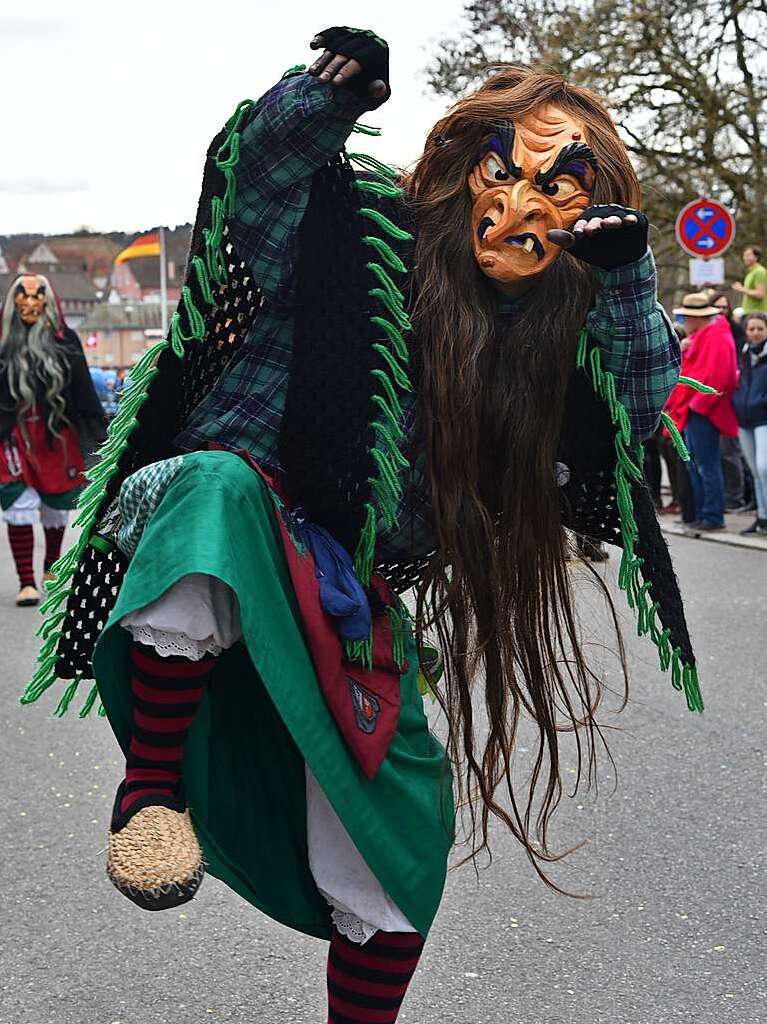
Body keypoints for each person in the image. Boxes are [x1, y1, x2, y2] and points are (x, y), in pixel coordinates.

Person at [24, 29, 701, 1023]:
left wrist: (626, 280)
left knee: (397, 866)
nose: (515, 205)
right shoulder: (357, 226)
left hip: (349, 599)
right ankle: (149, 788)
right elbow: (253, 190)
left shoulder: (551, 327)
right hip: (246, 516)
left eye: (556, 192)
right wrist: (324, 100)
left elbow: (631, 418)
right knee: (212, 494)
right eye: (500, 169)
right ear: (462, 160)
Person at [0, 274, 105, 605]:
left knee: (55, 505)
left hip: (56, 436)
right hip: (13, 435)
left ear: (48, 302)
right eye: (23, 297)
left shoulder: (65, 340)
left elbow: (84, 391)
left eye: (37, 297)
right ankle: (26, 581)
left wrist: (103, 431)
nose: (30, 304)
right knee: (17, 501)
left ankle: (50, 568)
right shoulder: (3, 343)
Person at [664, 292, 739, 531]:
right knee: (696, 464)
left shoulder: (716, 337)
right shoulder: (706, 336)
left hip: (701, 410)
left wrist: (698, 406)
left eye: (687, 316)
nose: (685, 320)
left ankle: (712, 516)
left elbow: (720, 377)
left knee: (705, 464)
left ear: (698, 317)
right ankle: (701, 514)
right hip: (695, 408)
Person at [711, 292, 747, 510]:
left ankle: (736, 496)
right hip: (713, 400)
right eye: (718, 307)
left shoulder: (734, 332)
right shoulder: (709, 333)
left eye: (725, 307)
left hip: (730, 399)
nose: (722, 311)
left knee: (729, 452)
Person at [732, 312, 767, 535]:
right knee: (755, 470)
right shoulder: (744, 353)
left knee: (764, 467)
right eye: (751, 329)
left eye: (760, 329)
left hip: (763, 418)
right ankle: (762, 517)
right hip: (744, 420)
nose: (755, 333)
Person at [732, 245, 767, 314]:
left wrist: (741, 289)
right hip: (748, 312)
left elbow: (760, 294)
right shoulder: (751, 272)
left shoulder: (760, 272)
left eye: (748, 255)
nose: (745, 258)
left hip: (757, 314)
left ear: (756, 257)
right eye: (744, 255)